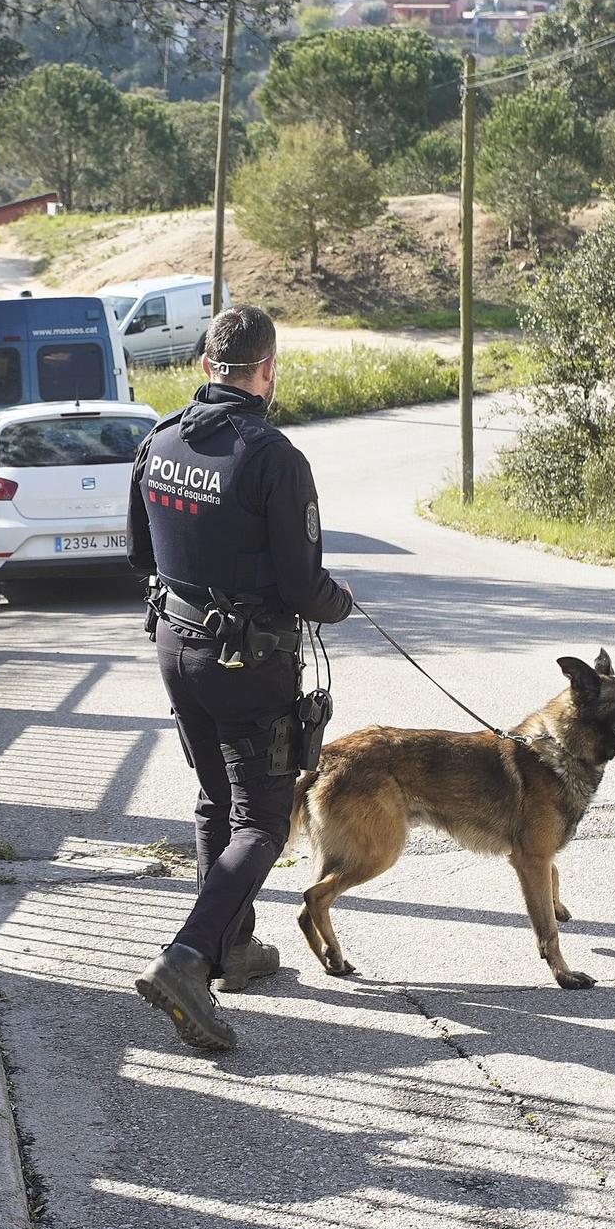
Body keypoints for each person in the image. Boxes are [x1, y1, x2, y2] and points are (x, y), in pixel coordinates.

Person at [126, 303, 353, 1051]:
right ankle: (188, 957)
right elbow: (302, 585)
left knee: (213, 797)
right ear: (266, 370)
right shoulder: (273, 456)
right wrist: (340, 602)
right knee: (260, 818)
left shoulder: (156, 439)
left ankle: (232, 948)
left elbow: (138, 553)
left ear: (204, 368)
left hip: (173, 644)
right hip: (246, 662)